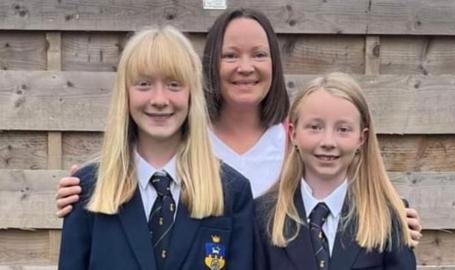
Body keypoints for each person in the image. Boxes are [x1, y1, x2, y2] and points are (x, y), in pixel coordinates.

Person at [54, 8, 422, 244]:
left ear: (274, 63)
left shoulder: (300, 141)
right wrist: (83, 187)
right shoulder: (184, 142)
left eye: (258, 55)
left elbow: (345, 198)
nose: (245, 67)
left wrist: (395, 218)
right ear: (211, 65)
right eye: (231, 55)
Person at [58, 26, 254, 270]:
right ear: (125, 95)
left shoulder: (233, 192)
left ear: (192, 94)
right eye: (144, 84)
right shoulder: (86, 190)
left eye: (174, 84)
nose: (159, 100)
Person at [255, 73, 416, 270]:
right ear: (293, 133)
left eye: (343, 129)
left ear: (361, 138)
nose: (328, 142)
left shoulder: (388, 215)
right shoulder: (262, 217)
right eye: (315, 127)